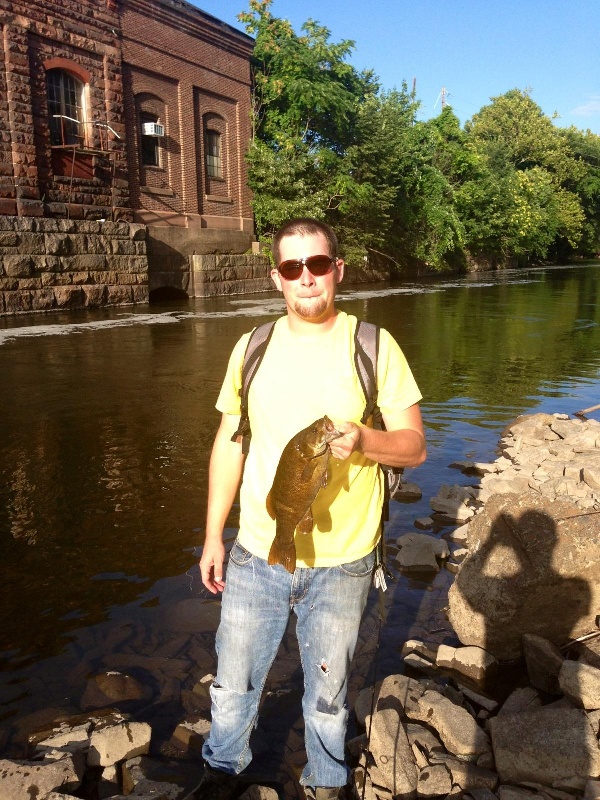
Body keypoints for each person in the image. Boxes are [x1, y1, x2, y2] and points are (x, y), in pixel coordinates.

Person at [192, 218, 426, 800]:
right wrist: (213, 535)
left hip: (346, 560)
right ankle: (223, 769)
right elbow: (230, 442)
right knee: (233, 680)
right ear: (277, 277)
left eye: (318, 265)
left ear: (337, 271)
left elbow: (416, 446)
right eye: (293, 268)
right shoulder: (252, 347)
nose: (307, 279)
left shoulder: (373, 345)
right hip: (257, 552)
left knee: (328, 694)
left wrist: (365, 441)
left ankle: (326, 781)